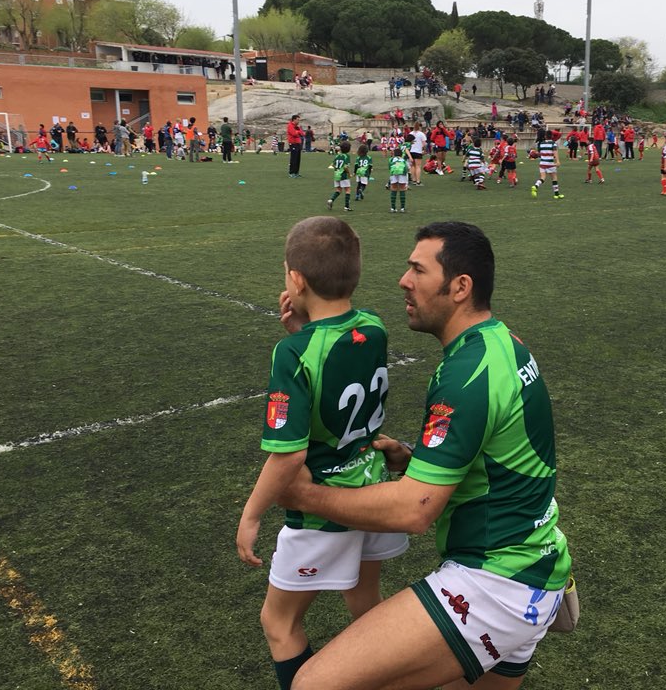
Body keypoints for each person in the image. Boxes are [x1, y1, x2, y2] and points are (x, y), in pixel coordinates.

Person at [278, 220, 572, 690]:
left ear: (459, 287)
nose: (403, 280)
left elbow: (415, 509)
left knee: (313, 684)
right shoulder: (503, 343)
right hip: (539, 571)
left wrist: (301, 494)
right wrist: (412, 456)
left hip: (495, 583)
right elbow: (496, 450)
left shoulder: (468, 374)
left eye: (418, 269)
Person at [236, 216, 408, 690]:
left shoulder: (292, 354)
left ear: (296, 278)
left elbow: (288, 456)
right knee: (364, 601)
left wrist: (251, 515)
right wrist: (302, 325)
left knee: (279, 623)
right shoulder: (374, 326)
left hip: (325, 507)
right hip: (373, 489)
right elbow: (339, 351)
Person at [531, 128, 562, 199]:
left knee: (542, 178)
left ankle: (535, 186)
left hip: (542, 163)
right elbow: (555, 153)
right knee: (554, 178)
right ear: (552, 136)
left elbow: (540, 154)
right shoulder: (553, 144)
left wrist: (533, 154)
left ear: (545, 136)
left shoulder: (541, 144)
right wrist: (557, 161)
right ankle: (556, 194)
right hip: (550, 163)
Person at [327, 141, 353, 212]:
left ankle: (331, 200)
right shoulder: (346, 156)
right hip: (343, 175)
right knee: (347, 190)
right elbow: (345, 167)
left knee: (338, 190)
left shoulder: (337, 156)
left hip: (336, 175)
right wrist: (349, 174)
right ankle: (346, 207)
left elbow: (333, 165)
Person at [387, 142, 409, 212]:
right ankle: (402, 208)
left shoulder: (391, 159)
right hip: (402, 173)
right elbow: (406, 168)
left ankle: (393, 208)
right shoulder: (403, 160)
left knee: (393, 188)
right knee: (402, 189)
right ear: (401, 154)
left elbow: (389, 167)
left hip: (393, 173)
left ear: (394, 154)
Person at [407, 121, 427, 186]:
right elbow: (424, 143)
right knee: (418, 166)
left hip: (411, 151)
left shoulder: (410, 133)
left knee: (412, 166)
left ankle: (414, 180)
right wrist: (423, 149)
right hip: (418, 151)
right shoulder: (421, 134)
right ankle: (418, 181)